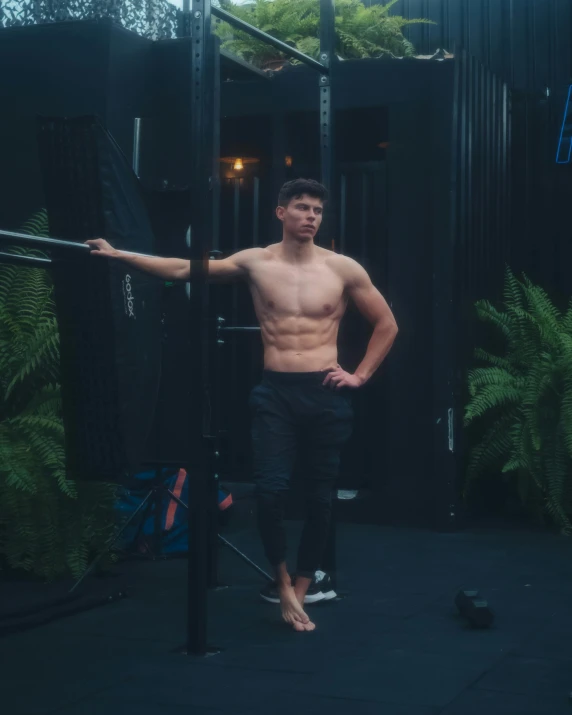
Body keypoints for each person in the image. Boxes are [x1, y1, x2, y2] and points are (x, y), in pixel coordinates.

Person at [86, 178, 398, 633]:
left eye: (317, 211)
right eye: (302, 208)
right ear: (281, 212)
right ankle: (281, 581)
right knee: (269, 492)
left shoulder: (343, 269)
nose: (311, 216)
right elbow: (181, 269)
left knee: (319, 496)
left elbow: (387, 324)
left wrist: (360, 375)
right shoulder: (256, 262)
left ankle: (305, 584)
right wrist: (119, 256)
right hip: (276, 393)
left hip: (325, 392)